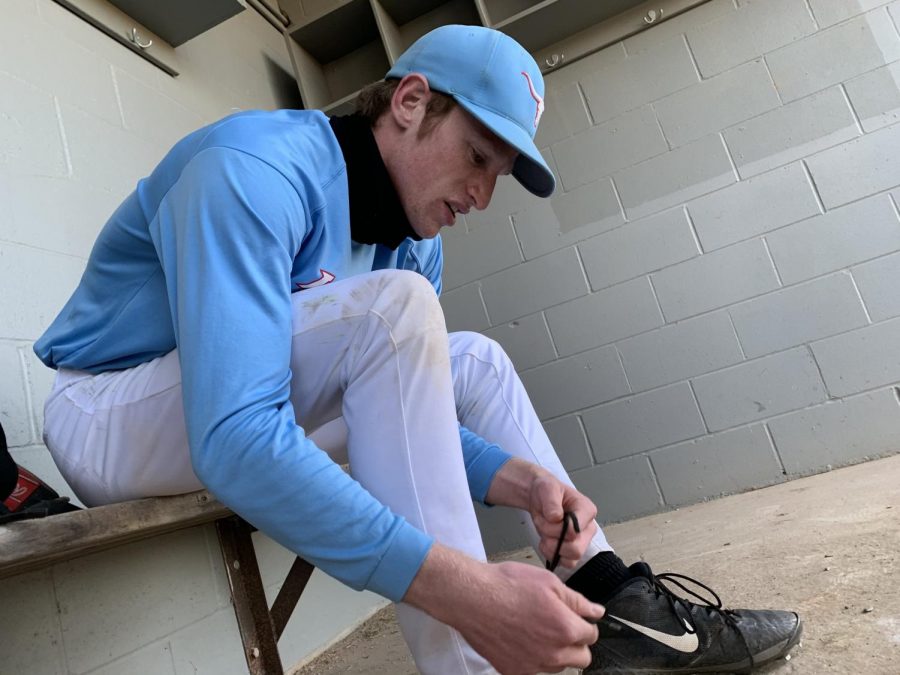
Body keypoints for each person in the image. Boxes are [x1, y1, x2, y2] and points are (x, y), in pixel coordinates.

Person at [33, 24, 801, 674]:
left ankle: (616, 602)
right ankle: (473, 658)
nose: (482, 196)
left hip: (234, 415)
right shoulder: (253, 170)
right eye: (477, 157)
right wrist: (469, 588)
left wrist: (511, 477)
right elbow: (235, 435)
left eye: (498, 175)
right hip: (110, 412)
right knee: (397, 313)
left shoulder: (414, 241)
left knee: (474, 358)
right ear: (409, 101)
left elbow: (409, 408)